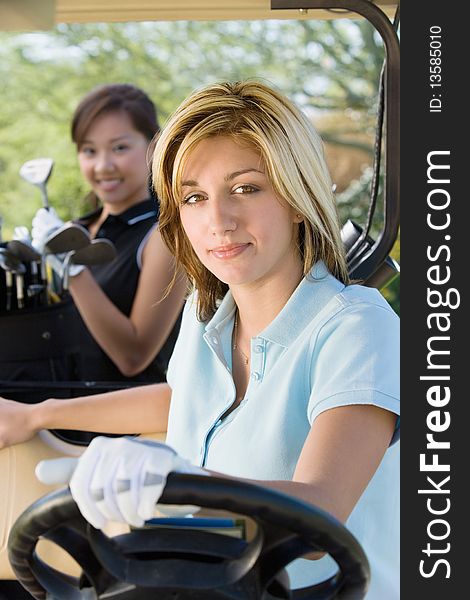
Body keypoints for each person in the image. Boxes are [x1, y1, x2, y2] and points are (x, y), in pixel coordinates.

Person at [0, 80, 399, 598]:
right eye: (194, 197)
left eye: (247, 188)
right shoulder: (206, 314)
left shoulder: (357, 326)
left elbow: (319, 512)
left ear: (299, 198)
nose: (218, 221)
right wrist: (39, 415)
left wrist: (181, 479)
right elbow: (183, 401)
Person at [29, 83, 186, 384]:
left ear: (153, 146)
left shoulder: (166, 235)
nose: (103, 165)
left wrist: (73, 269)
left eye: (120, 147)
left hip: (131, 423)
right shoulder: (78, 228)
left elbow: (134, 357)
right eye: (89, 150)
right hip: (62, 410)